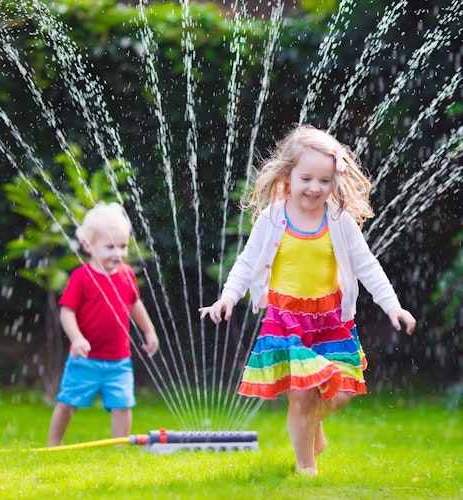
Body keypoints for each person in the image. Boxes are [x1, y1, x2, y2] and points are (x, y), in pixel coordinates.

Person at [199, 124, 416, 475]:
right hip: (286, 320)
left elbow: (367, 266)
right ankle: (306, 470)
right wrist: (227, 298)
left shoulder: (339, 220)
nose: (315, 188)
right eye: (306, 178)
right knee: (301, 394)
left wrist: (393, 306)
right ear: (288, 176)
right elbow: (247, 262)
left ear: (335, 181)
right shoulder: (272, 218)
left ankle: (311, 423)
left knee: (342, 392)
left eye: (324, 181)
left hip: (331, 320)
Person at [47, 202, 159, 446]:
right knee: (67, 403)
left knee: (122, 405)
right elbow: (67, 312)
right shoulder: (82, 277)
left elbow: (134, 305)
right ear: (88, 246)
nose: (117, 253)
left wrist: (149, 331)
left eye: (122, 246)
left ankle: (118, 447)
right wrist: (77, 338)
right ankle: (53, 445)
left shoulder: (126, 274)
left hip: (119, 360)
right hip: (84, 359)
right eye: (110, 247)